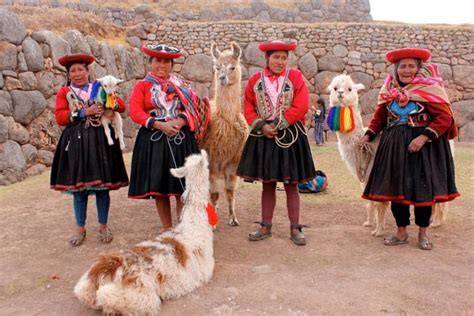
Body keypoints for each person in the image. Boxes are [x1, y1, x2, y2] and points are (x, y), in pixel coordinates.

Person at [359, 48, 460, 250]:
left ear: (419, 68)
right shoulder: (390, 92)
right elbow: (380, 117)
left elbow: (445, 118)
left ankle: (423, 234)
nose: (407, 70)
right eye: (402, 66)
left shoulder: (430, 89)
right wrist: (368, 135)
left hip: (423, 149)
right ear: (396, 70)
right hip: (394, 147)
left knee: (422, 191)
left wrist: (423, 137)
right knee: (397, 190)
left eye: (411, 66)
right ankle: (401, 232)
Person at [236, 41, 316, 246]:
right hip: (264, 136)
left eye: (283, 58)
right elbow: (248, 106)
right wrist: (261, 126)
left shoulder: (295, 77)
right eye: (276, 57)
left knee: (291, 185)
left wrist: (280, 124)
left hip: (290, 136)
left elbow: (301, 104)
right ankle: (265, 225)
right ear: (267, 59)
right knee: (268, 184)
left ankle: (295, 228)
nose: (280, 62)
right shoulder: (255, 80)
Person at [128, 44, 209, 232]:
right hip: (154, 141)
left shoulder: (182, 86)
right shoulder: (142, 86)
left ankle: (183, 228)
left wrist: (180, 121)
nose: (162, 65)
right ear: (150, 63)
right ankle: (167, 229)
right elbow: (135, 111)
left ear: (172, 64)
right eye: (157, 60)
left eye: (166, 61)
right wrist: (160, 125)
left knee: (182, 188)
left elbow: (193, 109)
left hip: (182, 140)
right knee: (161, 188)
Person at [50, 53, 129, 247]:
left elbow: (122, 106)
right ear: (68, 75)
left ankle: (103, 225)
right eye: (73, 71)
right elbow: (60, 116)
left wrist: (112, 103)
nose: (77, 74)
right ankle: (80, 226)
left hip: (101, 141)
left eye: (81, 70)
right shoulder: (65, 92)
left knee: (102, 187)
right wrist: (85, 112)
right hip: (77, 143)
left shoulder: (100, 87)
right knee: (80, 189)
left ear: (88, 71)